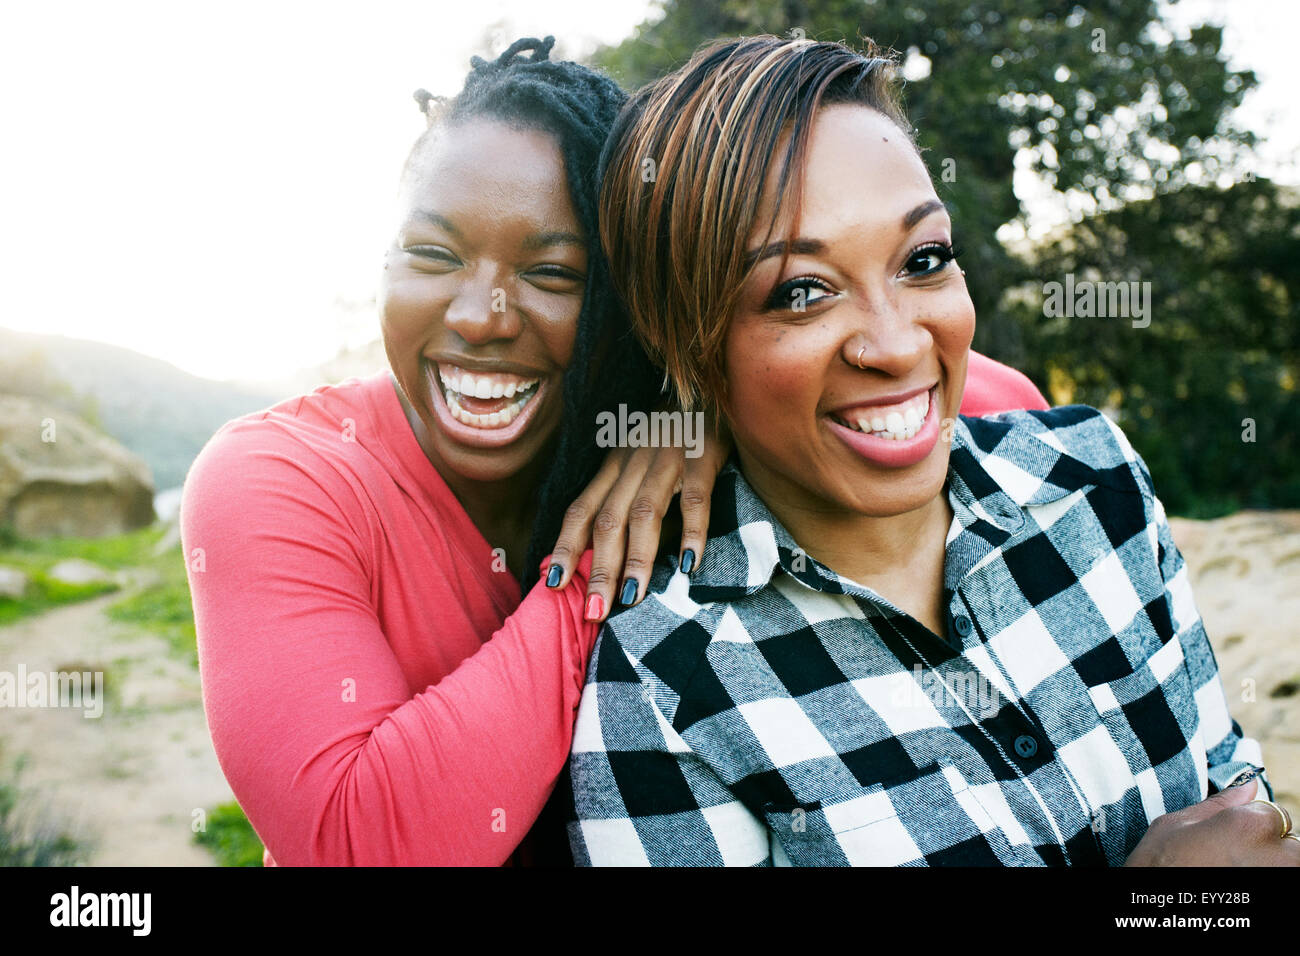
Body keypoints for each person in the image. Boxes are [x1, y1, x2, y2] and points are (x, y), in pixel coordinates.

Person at [182, 36, 1052, 867]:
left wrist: (721, 404)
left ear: (630, 308)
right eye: (431, 255)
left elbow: (983, 395)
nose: (479, 316)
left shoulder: (681, 419)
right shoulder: (281, 477)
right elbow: (352, 844)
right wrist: (609, 550)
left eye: (555, 274)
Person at [565, 35, 1297, 866]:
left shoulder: (1094, 476)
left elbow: (1238, 807)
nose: (897, 343)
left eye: (924, 260)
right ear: (689, 345)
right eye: (801, 291)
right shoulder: (665, 690)